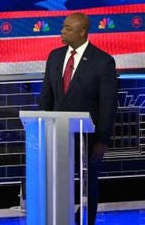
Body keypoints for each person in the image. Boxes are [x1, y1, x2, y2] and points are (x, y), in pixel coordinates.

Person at [39, 12, 117, 225]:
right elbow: (46, 96)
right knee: (57, 182)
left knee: (88, 184)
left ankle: (85, 221)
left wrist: (101, 141)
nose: (62, 31)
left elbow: (108, 105)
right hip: (57, 135)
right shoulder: (55, 56)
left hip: (87, 138)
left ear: (82, 31)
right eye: (63, 27)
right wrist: (41, 129)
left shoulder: (103, 61)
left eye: (68, 28)